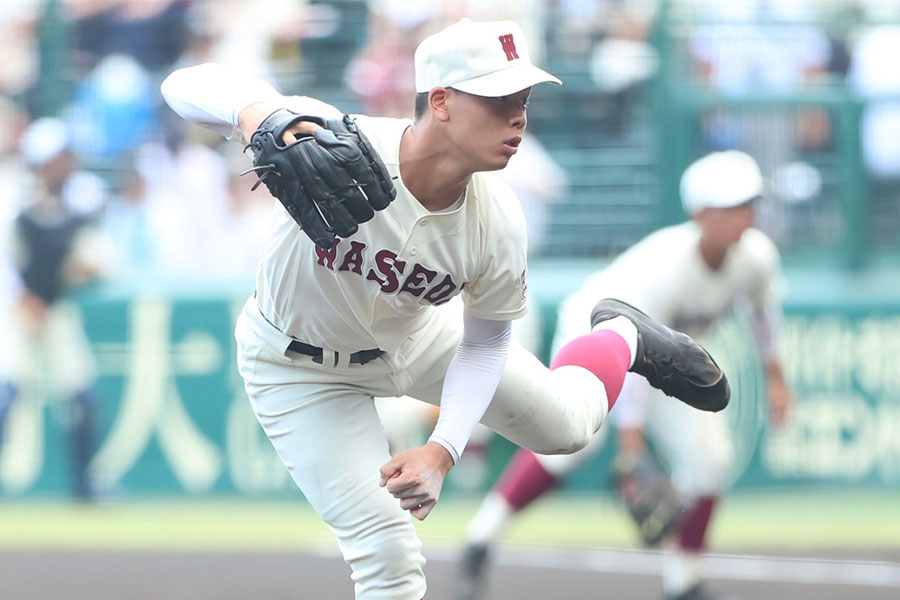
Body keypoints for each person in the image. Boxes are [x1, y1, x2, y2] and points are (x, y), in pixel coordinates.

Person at [160, 19, 729, 600]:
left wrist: (443, 450)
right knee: (388, 555)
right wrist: (264, 115)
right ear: (442, 101)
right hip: (298, 368)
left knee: (568, 428)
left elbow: (484, 344)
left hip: (419, 337)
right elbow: (183, 83)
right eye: (499, 100)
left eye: (524, 100)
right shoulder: (338, 138)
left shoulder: (500, 221)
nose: (519, 118)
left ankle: (622, 336)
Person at [457, 150, 792, 600]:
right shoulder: (663, 267)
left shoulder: (756, 256)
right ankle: (481, 536)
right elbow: (631, 357)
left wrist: (776, 377)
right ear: (700, 213)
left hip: (668, 358)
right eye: (733, 207)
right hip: (598, 332)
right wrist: (632, 449)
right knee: (570, 438)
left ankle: (684, 582)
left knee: (710, 460)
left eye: (750, 205)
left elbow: (763, 313)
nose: (745, 217)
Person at [5, 116, 112, 500]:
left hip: (56, 308)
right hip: (15, 310)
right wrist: (22, 298)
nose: (64, 164)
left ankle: (84, 488)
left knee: (82, 395)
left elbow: (94, 257)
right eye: (57, 157)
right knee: (6, 392)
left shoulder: (80, 196)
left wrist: (85, 269)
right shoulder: (12, 194)